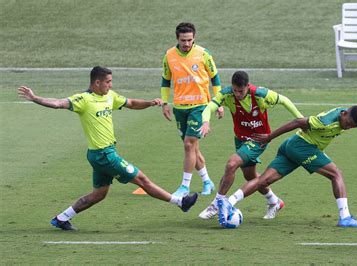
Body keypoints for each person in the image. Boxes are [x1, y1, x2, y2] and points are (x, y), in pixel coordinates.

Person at [17, 66, 198, 231]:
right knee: (142, 179)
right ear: (97, 82)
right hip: (103, 155)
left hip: (102, 153)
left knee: (99, 194)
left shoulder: (109, 97)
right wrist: (35, 98)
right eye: (108, 82)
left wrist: (150, 102)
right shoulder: (83, 99)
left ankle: (62, 218)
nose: (110, 86)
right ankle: (181, 202)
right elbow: (58, 103)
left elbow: (132, 103)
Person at [218, 106, 357, 228]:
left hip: (291, 146)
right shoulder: (324, 122)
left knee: (263, 181)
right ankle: (345, 217)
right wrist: (269, 137)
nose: (348, 127)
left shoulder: (346, 114)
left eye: (353, 126)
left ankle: (229, 202)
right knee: (336, 174)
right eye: (348, 123)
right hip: (303, 147)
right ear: (343, 114)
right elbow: (297, 122)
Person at [197, 71, 304, 220]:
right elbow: (209, 108)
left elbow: (284, 100)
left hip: (259, 139)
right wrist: (206, 121)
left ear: (248, 86)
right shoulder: (227, 94)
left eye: (240, 91)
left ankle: (217, 203)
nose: (237, 94)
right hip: (241, 140)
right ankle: (274, 202)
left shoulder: (260, 94)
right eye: (235, 90)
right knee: (250, 176)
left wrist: (300, 119)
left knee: (231, 164)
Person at [160, 22, 224, 197]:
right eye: (183, 40)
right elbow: (166, 80)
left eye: (189, 40)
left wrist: (218, 103)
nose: (186, 44)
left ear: (194, 38)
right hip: (180, 107)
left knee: (189, 144)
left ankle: (184, 187)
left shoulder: (203, 54)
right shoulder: (169, 56)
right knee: (193, 149)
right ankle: (207, 182)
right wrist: (165, 103)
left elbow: (215, 78)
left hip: (200, 106)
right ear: (177, 39)